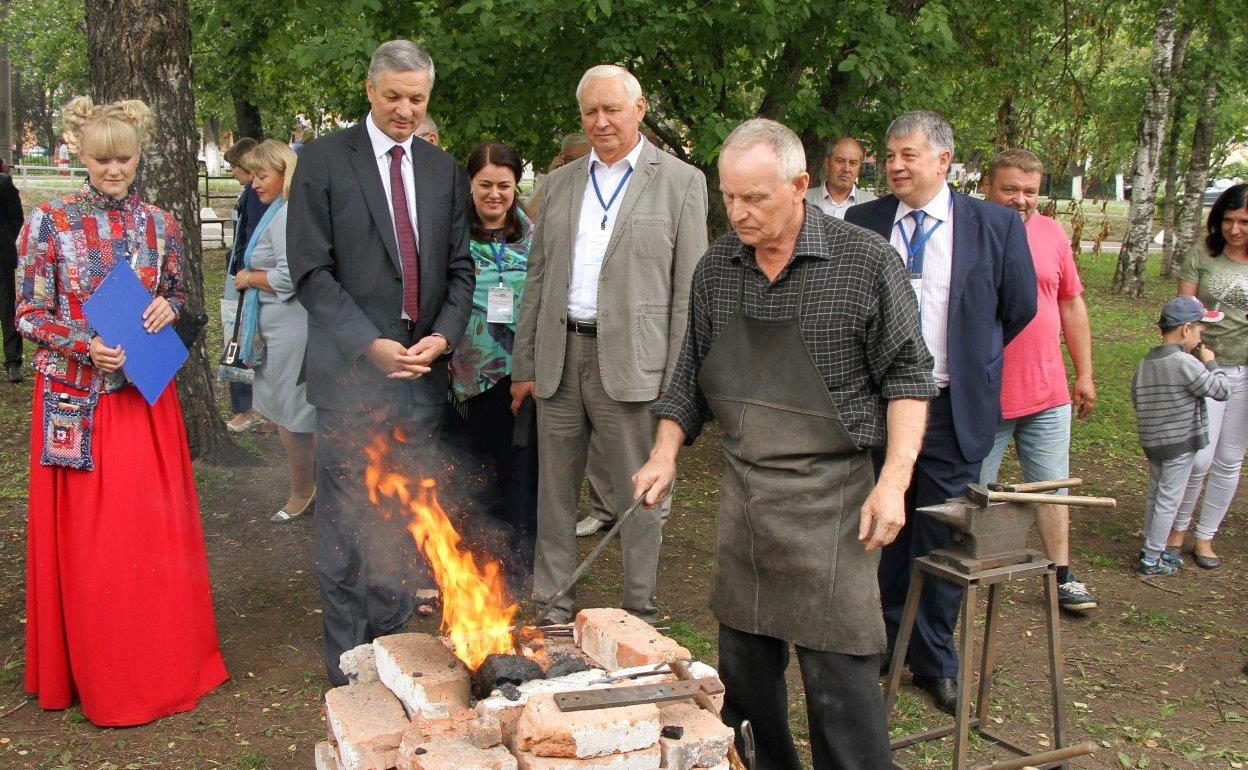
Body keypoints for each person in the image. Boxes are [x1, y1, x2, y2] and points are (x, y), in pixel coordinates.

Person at [634, 118, 934, 770]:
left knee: (841, 694)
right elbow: (689, 379)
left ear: (800, 185)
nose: (738, 213)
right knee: (745, 691)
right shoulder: (718, 268)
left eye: (756, 199)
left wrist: (893, 481)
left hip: (836, 504)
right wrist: (663, 452)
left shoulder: (865, 263)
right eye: (730, 197)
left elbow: (909, 380)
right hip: (747, 504)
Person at [16, 96, 228, 725]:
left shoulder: (160, 224)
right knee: (93, 545)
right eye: (102, 158)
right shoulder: (48, 222)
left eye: (125, 159)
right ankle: (96, 668)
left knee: (150, 534)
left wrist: (167, 309)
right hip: (76, 404)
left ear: (140, 157)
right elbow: (27, 314)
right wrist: (86, 345)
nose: (114, 169)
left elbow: (179, 296)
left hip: (143, 401)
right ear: (81, 155)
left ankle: (161, 660)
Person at [286, 39, 474, 685]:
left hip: (419, 384)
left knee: (401, 525)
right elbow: (310, 271)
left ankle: (393, 657)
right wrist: (369, 342)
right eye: (393, 96)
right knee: (344, 531)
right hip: (348, 380)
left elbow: (460, 271)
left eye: (416, 99)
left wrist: (443, 338)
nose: (405, 109)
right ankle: (348, 670)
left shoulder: (444, 169)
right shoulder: (322, 160)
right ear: (370, 89)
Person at [845, 110, 1037, 715]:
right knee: (886, 524)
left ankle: (934, 659)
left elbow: (1019, 307)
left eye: (909, 155)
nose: (896, 166)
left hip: (954, 405)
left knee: (943, 531)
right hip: (880, 405)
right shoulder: (865, 221)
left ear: (944, 161)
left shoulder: (995, 225)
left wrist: (969, 358)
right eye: (890, 155)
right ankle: (886, 637)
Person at [511, 64, 708, 625]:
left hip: (636, 365)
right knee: (555, 493)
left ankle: (638, 609)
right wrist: (525, 362)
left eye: (612, 110)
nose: (601, 121)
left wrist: (678, 383)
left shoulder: (681, 182)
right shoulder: (559, 184)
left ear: (639, 109)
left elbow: (687, 296)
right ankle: (551, 603)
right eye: (590, 112)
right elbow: (538, 279)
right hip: (560, 358)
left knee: (640, 493)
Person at [979, 148, 1098, 611]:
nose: (1021, 200)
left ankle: (1061, 574)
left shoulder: (1052, 234)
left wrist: (1084, 373)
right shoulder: (970, 233)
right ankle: (968, 574)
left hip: (1048, 390)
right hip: (988, 393)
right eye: (1010, 189)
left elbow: (1071, 303)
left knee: (1053, 488)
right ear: (989, 187)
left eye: (1030, 191)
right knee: (976, 491)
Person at [449, 141, 538, 587]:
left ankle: (517, 564)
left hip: (522, 372)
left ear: (516, 186)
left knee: (519, 470)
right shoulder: (451, 235)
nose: (495, 194)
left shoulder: (534, 235)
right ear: (470, 184)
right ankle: (471, 563)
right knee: (472, 468)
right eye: (485, 184)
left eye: (504, 185)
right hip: (467, 374)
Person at [234, 139, 317, 522]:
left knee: (292, 417)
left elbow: (290, 277)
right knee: (286, 415)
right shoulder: (278, 211)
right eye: (251, 175)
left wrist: (248, 277)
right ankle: (309, 487)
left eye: (261, 174)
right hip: (275, 327)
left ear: (284, 173)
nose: (254, 183)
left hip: (289, 328)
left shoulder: (285, 216)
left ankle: (304, 492)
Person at [1173, 183, 1248, 569]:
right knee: (1198, 457)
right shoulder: (1202, 255)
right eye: (1228, 220)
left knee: (1229, 459)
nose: (1234, 230)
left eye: (1244, 222)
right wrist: (1193, 355)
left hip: (1245, 370)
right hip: (1205, 366)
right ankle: (1177, 531)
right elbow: (1184, 312)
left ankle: (1205, 537)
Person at [1132, 297, 1229, 575]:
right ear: (1186, 329)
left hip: (1153, 442)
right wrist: (1211, 364)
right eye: (1200, 332)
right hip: (1179, 444)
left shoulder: (1146, 362)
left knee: (1155, 494)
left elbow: (1137, 397)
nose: (1200, 340)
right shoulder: (1186, 363)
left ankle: (1151, 546)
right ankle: (1152, 557)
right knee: (1169, 499)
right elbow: (1221, 391)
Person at [221, 137, 269, 432]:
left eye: (234, 169)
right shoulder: (249, 193)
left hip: (246, 278)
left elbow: (253, 236)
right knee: (239, 340)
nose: (234, 175)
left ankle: (247, 408)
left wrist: (245, 273)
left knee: (238, 342)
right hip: (241, 274)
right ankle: (254, 407)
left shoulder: (256, 194)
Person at [803, 136, 876, 219]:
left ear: (859, 167)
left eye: (853, 163)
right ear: (827, 163)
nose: (846, 169)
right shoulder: (803, 200)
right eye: (840, 161)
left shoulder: (874, 205)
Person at [1, 157, 23, 383]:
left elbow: (17, 219)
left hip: (1, 258)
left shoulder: (4, 183)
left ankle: (13, 361)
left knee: (7, 308)